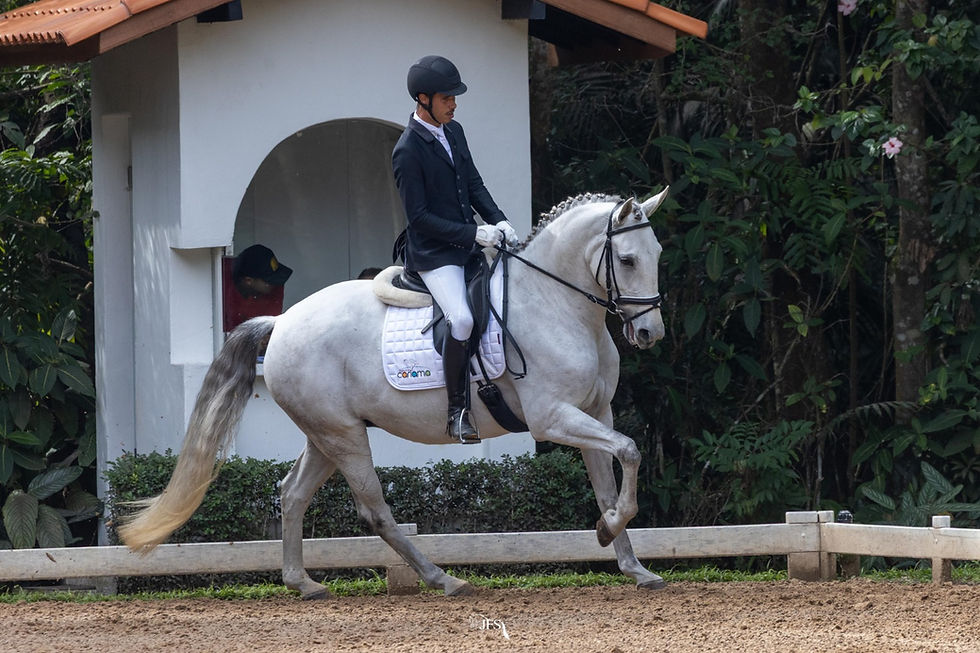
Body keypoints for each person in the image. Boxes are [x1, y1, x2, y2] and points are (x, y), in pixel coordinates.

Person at [391, 54, 519, 443]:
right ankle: (457, 411)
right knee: (461, 320)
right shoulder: (407, 150)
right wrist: (473, 234)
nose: (454, 103)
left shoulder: (455, 130)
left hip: (465, 246)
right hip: (434, 255)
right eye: (447, 97)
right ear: (424, 99)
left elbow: (474, 184)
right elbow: (420, 218)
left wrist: (498, 220)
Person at [223, 244, 293, 333]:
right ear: (248, 280)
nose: (276, 283)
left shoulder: (274, 287)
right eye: (269, 281)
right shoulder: (219, 279)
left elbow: (268, 330)